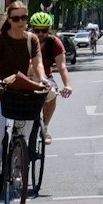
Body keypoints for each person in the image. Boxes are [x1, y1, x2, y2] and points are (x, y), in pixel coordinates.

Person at [0, 0, 49, 204]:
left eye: (24, 17)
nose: (21, 22)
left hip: (21, 90)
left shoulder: (32, 39)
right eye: (16, 18)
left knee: (23, 136)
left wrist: (42, 79)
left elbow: (38, 63)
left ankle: (16, 166)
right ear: (8, 20)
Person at [29, 13, 74, 142]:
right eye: (37, 30)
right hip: (27, 76)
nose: (40, 33)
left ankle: (45, 127)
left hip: (46, 76)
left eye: (44, 30)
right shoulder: (25, 40)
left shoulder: (54, 43)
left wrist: (67, 85)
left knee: (53, 94)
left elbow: (62, 67)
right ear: (31, 29)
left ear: (49, 29)